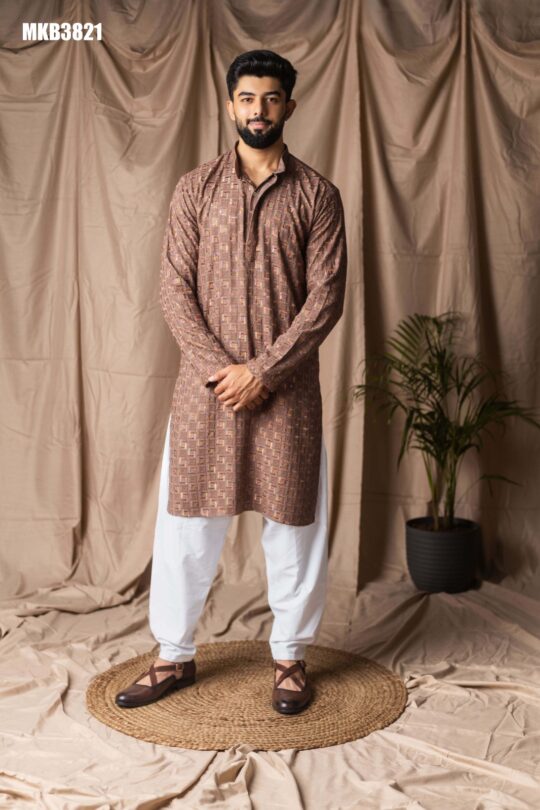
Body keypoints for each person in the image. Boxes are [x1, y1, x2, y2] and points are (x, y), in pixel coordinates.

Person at [115, 50, 347, 715]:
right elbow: (173, 290)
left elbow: (325, 298)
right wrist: (226, 372)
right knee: (186, 525)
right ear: (230, 105)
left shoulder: (317, 196)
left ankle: (291, 658)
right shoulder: (194, 189)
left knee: (293, 525)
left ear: (289, 106)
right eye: (247, 98)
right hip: (207, 393)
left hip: (286, 393)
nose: (258, 110)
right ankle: (173, 655)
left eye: (271, 98)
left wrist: (263, 371)